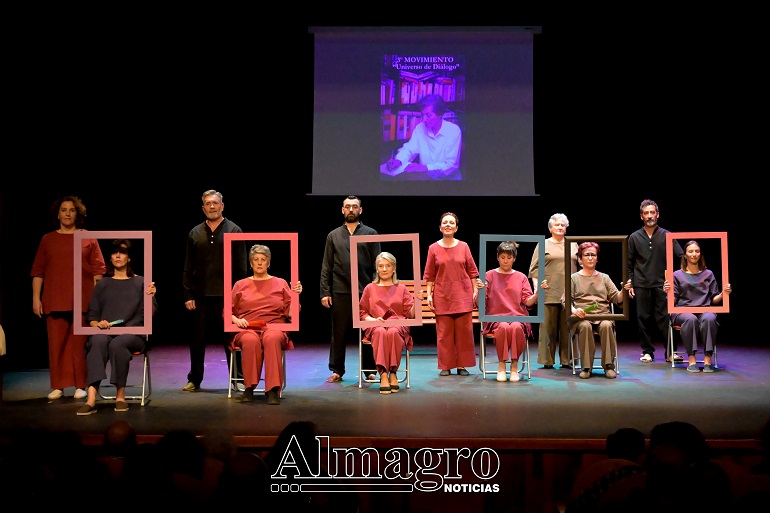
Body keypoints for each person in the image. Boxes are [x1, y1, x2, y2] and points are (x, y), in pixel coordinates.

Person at [31, 194, 106, 401]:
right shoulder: (48, 239)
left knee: (79, 345)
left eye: (72, 210)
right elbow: (38, 271)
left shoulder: (87, 236)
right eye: (64, 210)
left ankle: (81, 385)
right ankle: (58, 386)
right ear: (58, 213)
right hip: (55, 299)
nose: (67, 214)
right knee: (56, 344)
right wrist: (36, 299)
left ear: (77, 214)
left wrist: (97, 301)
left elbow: (98, 270)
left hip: (82, 300)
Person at [77, 239, 157, 415]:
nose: (118, 256)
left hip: (133, 335)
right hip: (106, 332)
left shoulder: (142, 282)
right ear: (110, 258)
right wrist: (98, 324)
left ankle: (120, 396)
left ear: (129, 258)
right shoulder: (103, 284)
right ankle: (91, 399)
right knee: (97, 341)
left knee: (118, 344)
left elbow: (147, 316)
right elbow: (92, 315)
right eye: (114, 253)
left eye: (122, 252)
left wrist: (150, 296)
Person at [182, 189, 248, 392]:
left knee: (231, 339)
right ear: (203, 208)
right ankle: (195, 379)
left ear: (222, 206)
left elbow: (242, 266)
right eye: (208, 204)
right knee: (197, 340)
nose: (212, 207)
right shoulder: (195, 232)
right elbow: (188, 266)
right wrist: (188, 294)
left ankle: (237, 380)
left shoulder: (234, 230)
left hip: (227, 296)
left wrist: (239, 297)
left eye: (215, 203)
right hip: (201, 295)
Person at [230, 244, 301, 405]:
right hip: (248, 327)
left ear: (269, 263)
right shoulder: (240, 285)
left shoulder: (280, 283)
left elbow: (292, 312)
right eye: (256, 260)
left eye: (263, 260)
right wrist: (236, 320)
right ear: (250, 263)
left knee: (272, 338)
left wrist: (296, 295)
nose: (259, 263)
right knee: (250, 340)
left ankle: (273, 390)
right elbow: (228, 311)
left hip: (274, 327)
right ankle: (248, 388)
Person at [320, 195, 380, 383]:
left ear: (360, 210)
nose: (351, 209)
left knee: (368, 332)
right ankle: (337, 370)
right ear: (342, 210)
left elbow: (377, 264)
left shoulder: (370, 233)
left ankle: (369, 370)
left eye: (355, 207)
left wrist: (375, 291)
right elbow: (326, 265)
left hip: (365, 292)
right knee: (339, 333)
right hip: (340, 291)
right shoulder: (333, 235)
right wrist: (325, 291)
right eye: (348, 207)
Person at [423, 212, 484, 376]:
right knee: (444, 334)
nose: (448, 225)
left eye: (451, 223)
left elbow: (472, 271)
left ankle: (462, 365)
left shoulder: (464, 246)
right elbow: (429, 275)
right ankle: (446, 365)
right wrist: (429, 295)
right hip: (442, 295)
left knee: (464, 333)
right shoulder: (433, 248)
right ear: (440, 227)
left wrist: (475, 291)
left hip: (462, 294)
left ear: (456, 228)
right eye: (445, 222)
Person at [627, 199, 684, 364]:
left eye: (652, 212)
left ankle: (671, 351)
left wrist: (675, 279)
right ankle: (647, 351)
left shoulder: (667, 235)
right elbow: (629, 263)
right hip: (641, 283)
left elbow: (681, 257)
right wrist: (630, 282)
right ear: (641, 216)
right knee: (642, 318)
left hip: (662, 284)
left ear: (657, 214)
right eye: (646, 213)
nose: (650, 216)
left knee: (665, 318)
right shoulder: (634, 237)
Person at [663, 240, 731, 373]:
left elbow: (714, 299)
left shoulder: (708, 274)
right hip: (682, 311)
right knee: (690, 319)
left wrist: (724, 294)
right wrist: (668, 292)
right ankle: (692, 358)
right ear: (685, 255)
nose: (694, 254)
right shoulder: (676, 275)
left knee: (710, 318)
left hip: (704, 309)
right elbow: (673, 300)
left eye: (697, 251)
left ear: (700, 254)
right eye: (690, 251)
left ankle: (707, 359)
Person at [566, 242, 626, 379]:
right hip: (582, 317)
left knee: (606, 325)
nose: (591, 258)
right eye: (587, 255)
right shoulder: (573, 278)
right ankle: (586, 367)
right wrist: (574, 310)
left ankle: (609, 366)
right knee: (585, 326)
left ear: (597, 258)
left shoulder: (604, 278)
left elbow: (617, 298)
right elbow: (566, 301)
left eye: (593, 255)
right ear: (580, 259)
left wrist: (624, 290)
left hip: (602, 315)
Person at [481, 241, 540, 382]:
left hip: (517, 317)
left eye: (509, 257)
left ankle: (514, 366)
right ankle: (502, 366)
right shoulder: (489, 275)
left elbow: (528, 301)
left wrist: (538, 294)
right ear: (497, 257)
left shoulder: (521, 277)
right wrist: (479, 290)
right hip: (496, 318)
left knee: (515, 327)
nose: (505, 261)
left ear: (514, 258)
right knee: (502, 327)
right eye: (502, 257)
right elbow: (479, 303)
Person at [358, 252, 415, 394]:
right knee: (380, 332)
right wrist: (373, 320)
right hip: (376, 324)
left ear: (394, 268)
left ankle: (393, 373)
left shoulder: (401, 289)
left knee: (393, 332)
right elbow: (361, 312)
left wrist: (418, 301)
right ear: (376, 269)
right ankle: (383, 374)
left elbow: (410, 313)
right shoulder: (369, 288)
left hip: (397, 325)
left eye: (388, 266)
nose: (384, 269)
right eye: (381, 266)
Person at [528, 213, 578, 370]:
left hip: (569, 292)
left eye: (563, 225)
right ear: (550, 228)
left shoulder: (573, 244)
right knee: (547, 330)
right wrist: (537, 288)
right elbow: (534, 269)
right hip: (549, 292)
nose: (560, 227)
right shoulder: (543, 244)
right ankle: (547, 360)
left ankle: (567, 360)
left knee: (568, 329)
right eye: (557, 225)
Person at [384, 94, 462, 180]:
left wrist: (425, 167)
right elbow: (409, 149)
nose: (423, 119)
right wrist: (399, 160)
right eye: (422, 115)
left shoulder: (454, 131)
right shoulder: (420, 127)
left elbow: (451, 165)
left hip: (448, 180)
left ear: (440, 114)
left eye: (428, 115)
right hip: (425, 178)